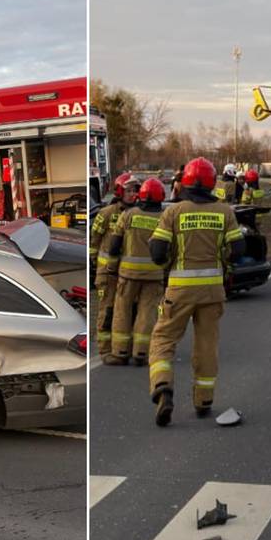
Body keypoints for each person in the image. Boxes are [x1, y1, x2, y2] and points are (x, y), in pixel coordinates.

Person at [147, 157, 245, 426]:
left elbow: (156, 253)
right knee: (206, 346)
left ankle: (163, 388)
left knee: (162, 340)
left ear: (186, 182)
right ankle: (204, 400)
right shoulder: (225, 212)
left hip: (179, 291)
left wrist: (170, 259)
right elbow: (237, 251)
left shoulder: (173, 212)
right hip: (212, 292)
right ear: (213, 182)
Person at [103, 177, 168, 366]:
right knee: (147, 313)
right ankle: (141, 353)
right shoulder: (164, 218)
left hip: (127, 275)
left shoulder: (129, 215)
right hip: (154, 276)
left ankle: (120, 352)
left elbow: (114, 246)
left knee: (122, 311)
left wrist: (111, 268)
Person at [92, 173, 140, 355]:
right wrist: (94, 266)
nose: (133, 194)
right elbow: (94, 241)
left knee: (130, 311)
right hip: (107, 273)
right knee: (108, 311)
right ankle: (105, 350)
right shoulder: (106, 214)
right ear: (120, 191)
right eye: (129, 190)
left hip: (128, 273)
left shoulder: (138, 213)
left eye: (136, 190)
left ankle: (124, 348)